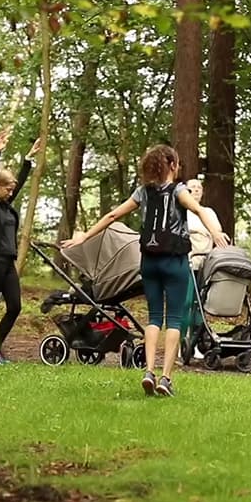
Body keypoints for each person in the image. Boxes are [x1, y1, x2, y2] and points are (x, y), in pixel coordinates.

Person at [61, 145, 229, 397]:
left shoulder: (142, 192)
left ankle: (149, 372)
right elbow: (198, 209)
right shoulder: (179, 191)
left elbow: (113, 215)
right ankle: (165, 378)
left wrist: (85, 236)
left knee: (154, 318)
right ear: (172, 165)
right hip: (175, 262)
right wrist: (215, 232)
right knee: (174, 320)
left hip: (149, 262)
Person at [0, 127, 42, 367]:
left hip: (8, 264)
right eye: (8, 188)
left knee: (14, 306)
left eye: (12, 189)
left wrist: (28, 160)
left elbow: (19, 185)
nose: (12, 192)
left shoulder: (6, 206)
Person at [182, 178, 225, 360]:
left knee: (200, 305)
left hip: (206, 264)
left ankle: (196, 343)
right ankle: (181, 343)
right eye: (193, 187)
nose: (197, 190)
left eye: (199, 187)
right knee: (186, 303)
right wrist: (201, 231)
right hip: (188, 262)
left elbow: (217, 231)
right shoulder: (183, 211)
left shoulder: (208, 212)